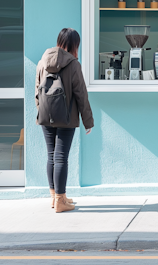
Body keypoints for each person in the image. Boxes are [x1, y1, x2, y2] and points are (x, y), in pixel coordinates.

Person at [35, 28, 93, 213]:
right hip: (67, 117)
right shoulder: (74, 64)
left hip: (46, 115)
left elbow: (37, 90)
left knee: (51, 155)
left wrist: (42, 110)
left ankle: (55, 197)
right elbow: (81, 95)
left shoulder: (42, 62)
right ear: (76, 45)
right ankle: (61, 200)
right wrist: (88, 121)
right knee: (61, 157)